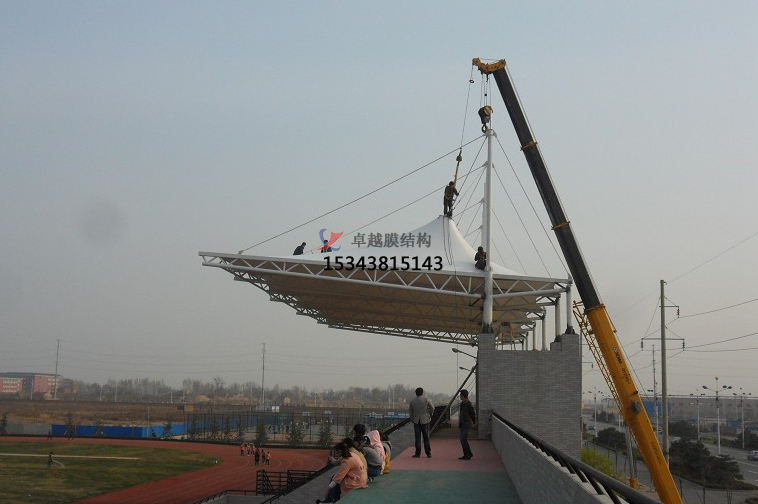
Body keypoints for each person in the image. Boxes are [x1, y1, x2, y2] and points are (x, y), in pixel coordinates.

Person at [317, 438, 368, 503]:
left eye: (337, 452)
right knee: (336, 479)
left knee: (336, 480)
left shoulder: (347, 461)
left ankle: (332, 499)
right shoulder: (352, 454)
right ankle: (333, 498)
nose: (336, 453)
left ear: (340, 451)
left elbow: (339, 477)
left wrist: (328, 489)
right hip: (362, 478)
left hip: (357, 482)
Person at [409, 387, 434, 458]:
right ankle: (428, 453)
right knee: (426, 437)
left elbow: (410, 411)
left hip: (416, 421)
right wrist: (430, 415)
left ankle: (417, 453)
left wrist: (412, 419)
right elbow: (432, 408)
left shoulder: (412, 401)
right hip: (425, 420)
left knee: (417, 438)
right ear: (422, 392)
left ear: (416, 393)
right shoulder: (426, 399)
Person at [458, 389, 477, 460]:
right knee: (462, 440)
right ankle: (466, 454)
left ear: (463, 396)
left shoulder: (469, 404)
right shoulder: (462, 404)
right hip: (462, 424)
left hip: (466, 424)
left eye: (460, 395)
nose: (460, 396)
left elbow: (473, 414)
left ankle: (469, 454)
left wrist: (474, 422)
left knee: (464, 439)